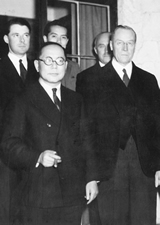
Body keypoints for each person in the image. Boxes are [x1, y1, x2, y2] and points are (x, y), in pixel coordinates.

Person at [1, 42, 98, 225]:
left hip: (72, 192)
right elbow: (8, 144)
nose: (55, 66)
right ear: (37, 65)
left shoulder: (76, 99)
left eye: (60, 61)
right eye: (49, 60)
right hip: (38, 193)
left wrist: (91, 178)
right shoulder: (22, 99)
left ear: (66, 66)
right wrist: (36, 157)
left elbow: (87, 142)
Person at [76, 25, 160, 225]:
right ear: (111, 46)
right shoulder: (89, 79)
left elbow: (157, 126)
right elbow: (85, 130)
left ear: (134, 46)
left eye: (130, 43)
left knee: (143, 219)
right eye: (120, 43)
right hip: (108, 169)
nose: (125, 47)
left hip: (144, 167)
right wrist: (90, 176)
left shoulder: (148, 80)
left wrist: (159, 166)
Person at [0, 17, 38, 225]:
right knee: (6, 210)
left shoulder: (39, 69)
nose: (22, 40)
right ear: (6, 38)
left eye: (26, 35)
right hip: (4, 153)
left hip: (33, 152)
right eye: (16, 35)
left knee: (29, 210)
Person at [76, 31, 111, 225]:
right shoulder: (85, 78)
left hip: (124, 161)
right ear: (94, 50)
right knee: (100, 214)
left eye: (109, 45)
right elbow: (85, 122)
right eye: (100, 46)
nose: (106, 50)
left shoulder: (128, 76)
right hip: (98, 158)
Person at [43, 18, 80, 91]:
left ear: (67, 41)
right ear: (45, 39)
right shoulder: (36, 66)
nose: (59, 41)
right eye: (54, 36)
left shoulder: (73, 67)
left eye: (63, 37)